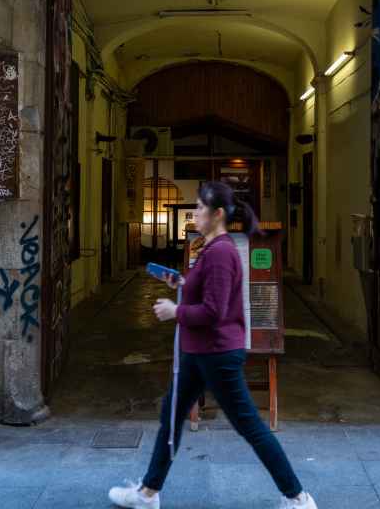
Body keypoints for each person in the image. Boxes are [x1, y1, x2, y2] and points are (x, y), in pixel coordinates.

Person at [109, 181, 317, 509]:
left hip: (216, 354)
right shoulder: (212, 248)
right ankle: (148, 493)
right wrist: (180, 282)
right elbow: (206, 291)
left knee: (250, 425)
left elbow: (213, 311)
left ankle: (298, 497)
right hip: (198, 353)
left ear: (217, 214)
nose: (195, 212)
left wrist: (175, 311)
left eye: (200, 207)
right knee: (171, 414)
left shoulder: (220, 252)